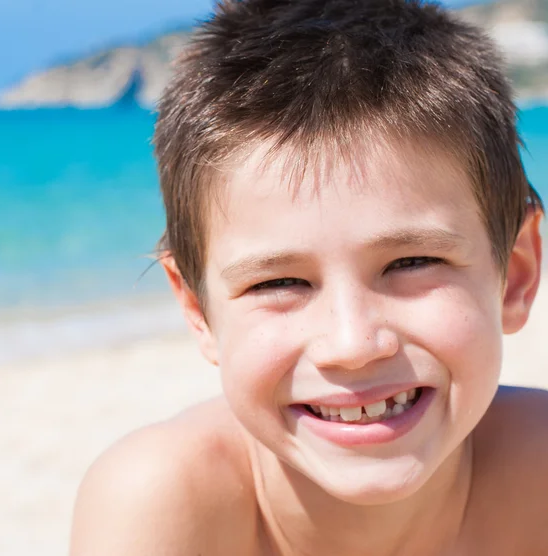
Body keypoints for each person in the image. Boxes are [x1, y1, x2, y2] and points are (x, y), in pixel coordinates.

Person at [69, 1, 547, 554]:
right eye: (279, 283)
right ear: (198, 311)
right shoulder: (162, 504)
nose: (352, 344)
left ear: (514, 274)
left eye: (411, 263)